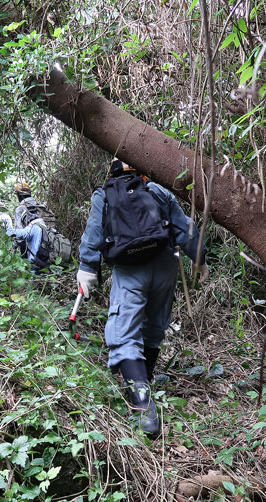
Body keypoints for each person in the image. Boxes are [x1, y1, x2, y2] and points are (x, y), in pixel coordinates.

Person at [76, 159, 209, 437]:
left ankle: (143, 404)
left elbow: (94, 234)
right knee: (152, 328)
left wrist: (88, 268)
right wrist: (198, 256)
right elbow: (184, 225)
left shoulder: (105, 194)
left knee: (124, 334)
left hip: (130, 269)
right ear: (138, 170)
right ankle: (144, 383)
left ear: (111, 171)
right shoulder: (156, 190)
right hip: (164, 265)